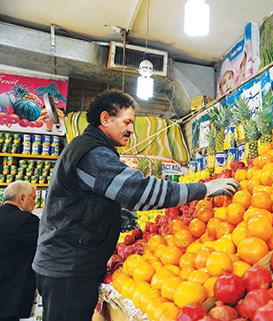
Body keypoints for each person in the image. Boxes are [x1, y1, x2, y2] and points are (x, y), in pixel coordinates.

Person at [32, 90, 239, 321]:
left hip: (69, 263)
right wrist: (204, 189)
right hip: (69, 268)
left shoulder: (89, 147)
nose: (131, 129)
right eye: (127, 122)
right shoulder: (92, 154)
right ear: (106, 119)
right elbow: (139, 191)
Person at [0, 181, 39, 321]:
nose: (35, 203)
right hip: (8, 297)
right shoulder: (26, 221)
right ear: (22, 198)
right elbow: (44, 247)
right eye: (33, 197)